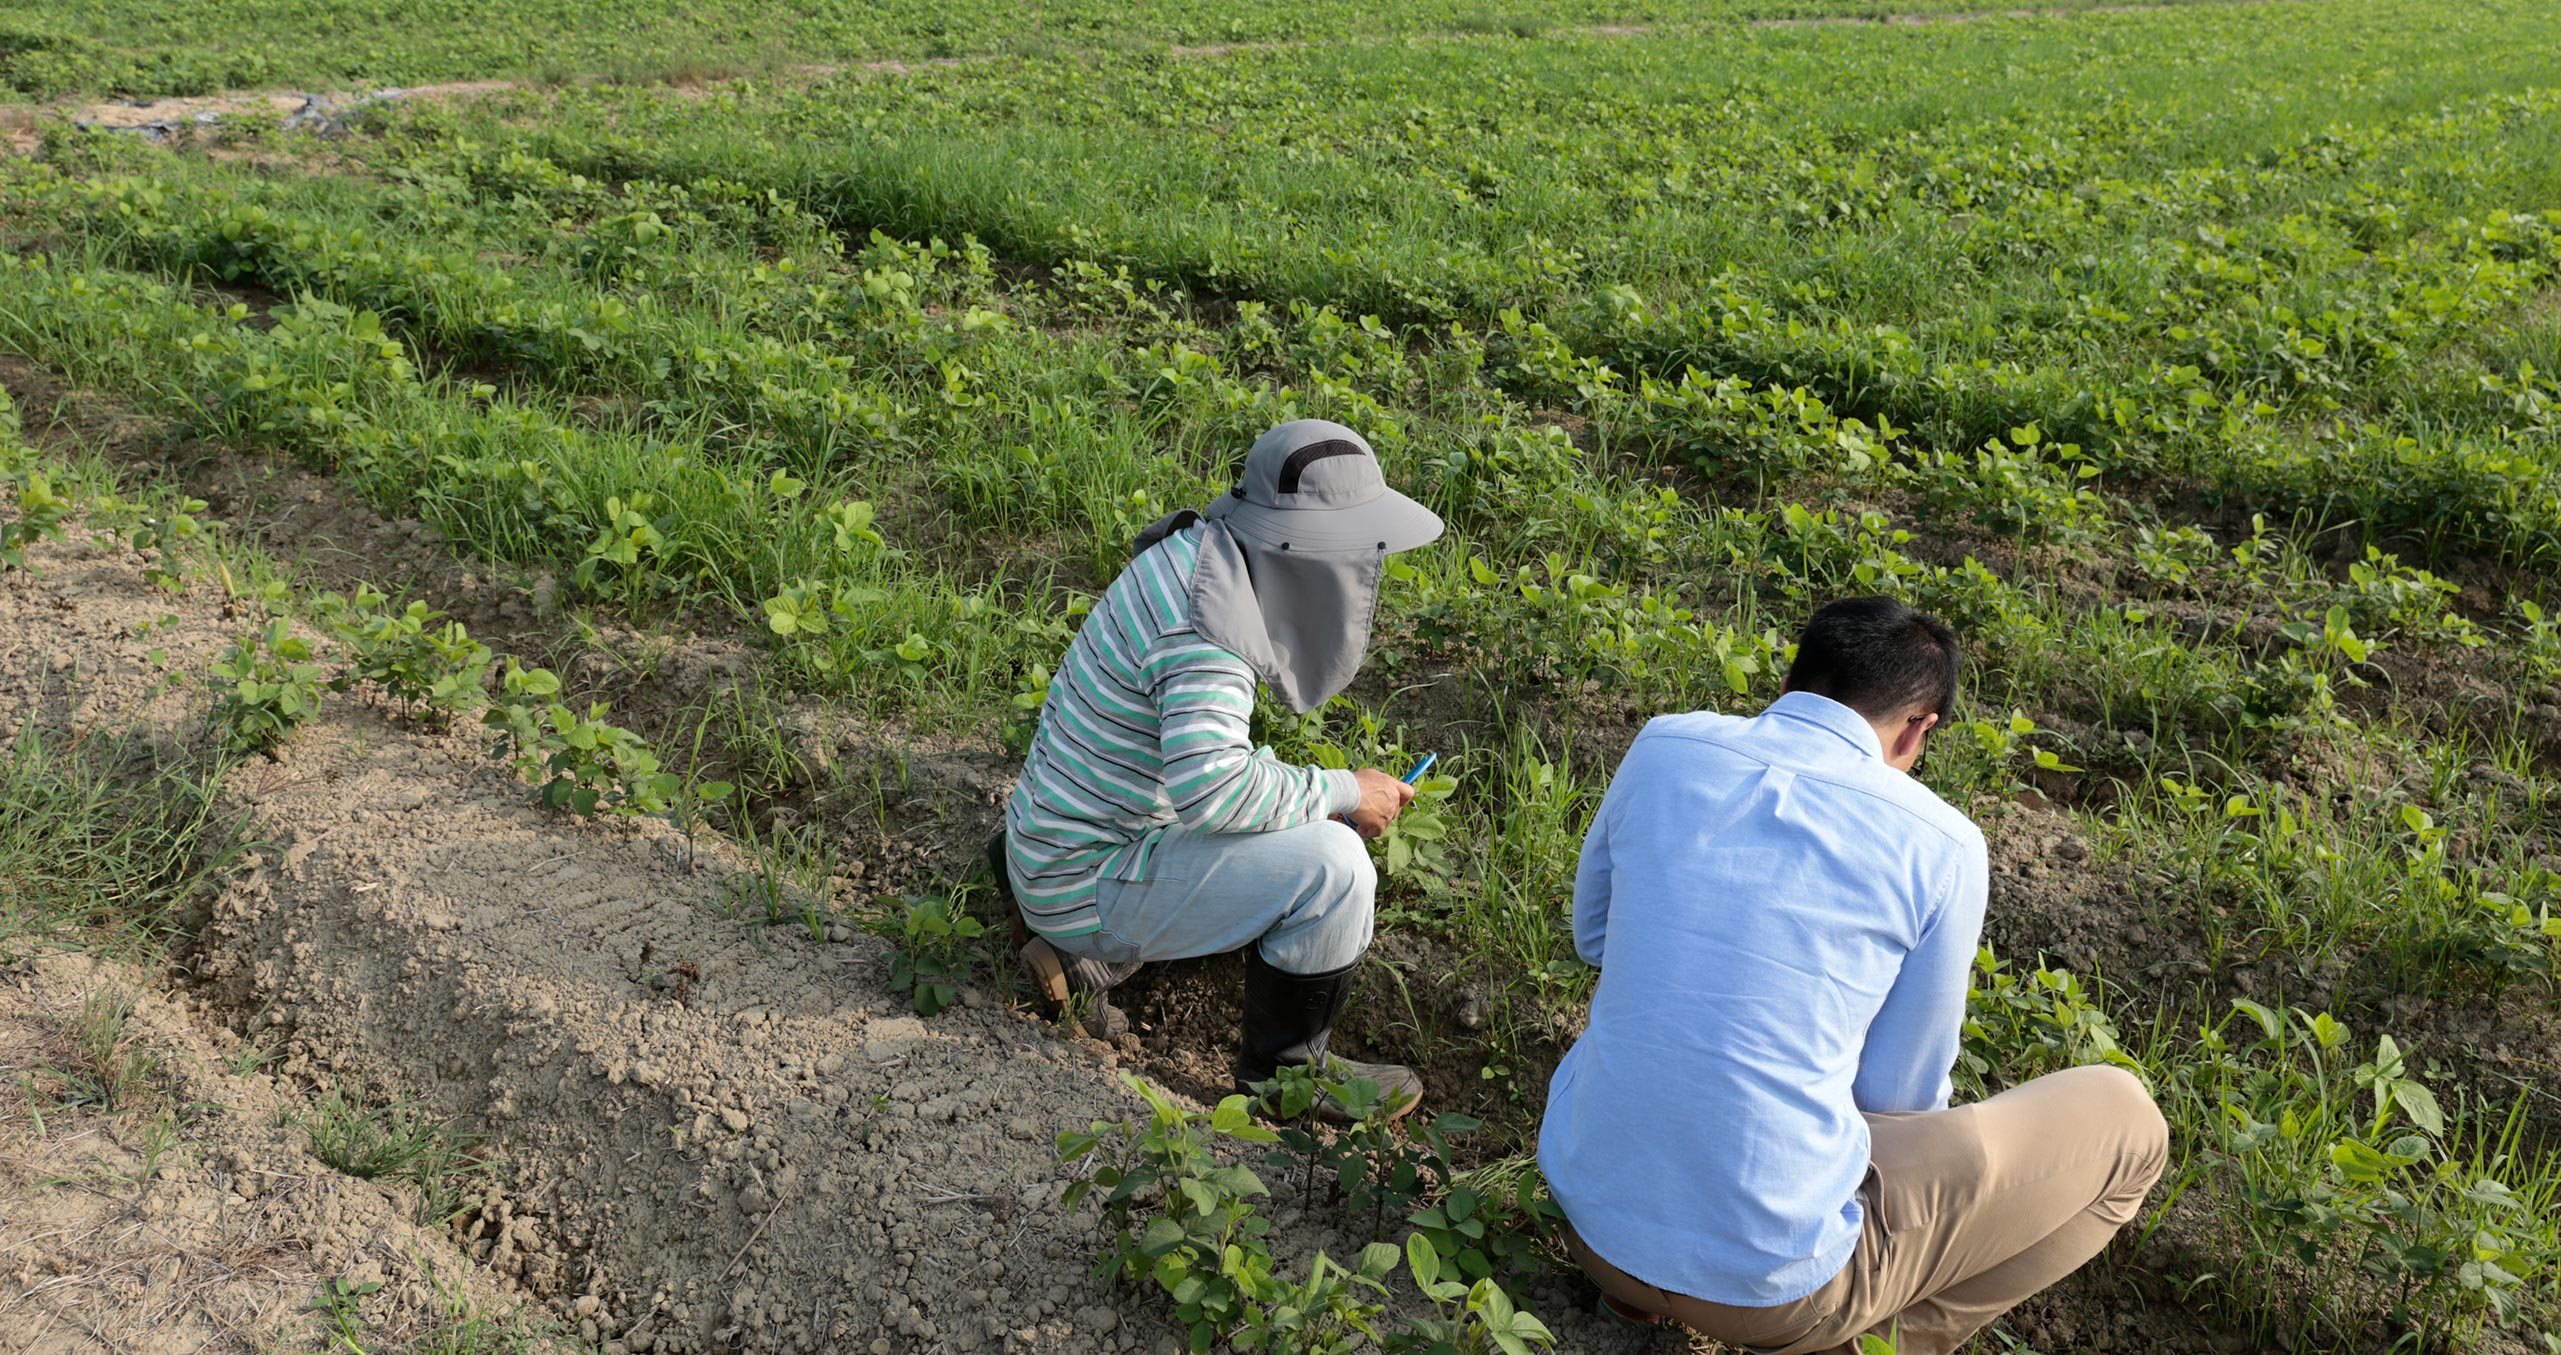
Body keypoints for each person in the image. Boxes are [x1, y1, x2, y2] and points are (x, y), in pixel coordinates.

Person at [1538, 597, 2168, 1355]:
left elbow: (1595, 934)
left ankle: (1637, 1291)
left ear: (1790, 681)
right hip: (1773, 1295)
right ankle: (1863, 1346)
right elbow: (1897, 1101)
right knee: (2128, 1121)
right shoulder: (1940, 843)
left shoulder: (1664, 746)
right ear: (1918, 728)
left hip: (1591, 1223)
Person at [989, 418, 1441, 1120]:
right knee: (1334, 865)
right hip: (1083, 872)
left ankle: (1082, 959)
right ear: (1305, 546)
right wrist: (1345, 790)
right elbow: (1215, 791)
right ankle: (1285, 1079)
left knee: (1286, 828)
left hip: (1056, 839)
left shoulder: (1199, 553)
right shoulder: (1206, 628)